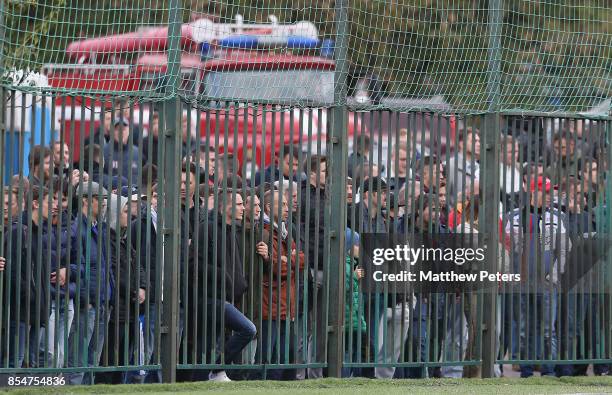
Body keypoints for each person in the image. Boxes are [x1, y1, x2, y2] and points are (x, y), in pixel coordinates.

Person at [504, 176, 569, 378]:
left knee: (549, 330)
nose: (551, 196)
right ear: (533, 192)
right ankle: (526, 370)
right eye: (546, 192)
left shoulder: (557, 217)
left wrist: (554, 276)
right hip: (524, 283)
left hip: (548, 285)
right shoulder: (514, 217)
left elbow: (565, 249)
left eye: (552, 192)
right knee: (525, 329)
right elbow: (506, 249)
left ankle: (549, 371)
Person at [195, 189, 257, 382]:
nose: (243, 208)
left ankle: (216, 371)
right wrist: (225, 278)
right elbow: (194, 264)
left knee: (215, 342)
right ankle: (215, 370)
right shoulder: (208, 229)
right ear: (226, 206)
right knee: (248, 329)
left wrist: (239, 285)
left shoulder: (230, 230)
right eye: (239, 204)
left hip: (227, 296)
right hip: (210, 296)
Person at [254, 189, 304, 380]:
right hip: (271, 302)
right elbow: (277, 269)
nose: (287, 208)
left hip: (284, 303)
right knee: (267, 359)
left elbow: (302, 259)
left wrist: (286, 259)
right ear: (268, 207)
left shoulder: (283, 231)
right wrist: (287, 260)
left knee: (283, 358)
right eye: (281, 204)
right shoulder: (265, 232)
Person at [66, 182, 113, 385]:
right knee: (78, 362)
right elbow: (75, 265)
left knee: (91, 363)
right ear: (85, 200)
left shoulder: (98, 228)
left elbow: (104, 266)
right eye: (99, 199)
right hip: (87, 305)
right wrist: (85, 299)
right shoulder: (77, 229)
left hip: (101, 303)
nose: (104, 204)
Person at [97, 194, 146, 384]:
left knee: (122, 362)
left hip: (129, 309)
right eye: (126, 211)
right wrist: (136, 289)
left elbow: (138, 266)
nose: (130, 216)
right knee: (110, 361)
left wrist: (142, 286)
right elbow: (115, 273)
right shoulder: (106, 240)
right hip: (115, 311)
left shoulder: (123, 239)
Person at [342, 229, 366, 378]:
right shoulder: (345, 265)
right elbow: (343, 287)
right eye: (357, 244)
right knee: (346, 353)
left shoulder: (352, 264)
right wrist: (356, 278)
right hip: (347, 318)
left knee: (352, 352)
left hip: (353, 317)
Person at [446, 128, 480, 206]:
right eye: (474, 141)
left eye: (479, 141)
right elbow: (444, 198)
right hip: (457, 216)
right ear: (461, 144)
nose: (478, 144)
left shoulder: (481, 168)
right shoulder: (449, 166)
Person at [103, 118, 142, 184]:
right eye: (117, 129)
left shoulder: (137, 152)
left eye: (123, 129)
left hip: (135, 193)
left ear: (129, 131)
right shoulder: (103, 151)